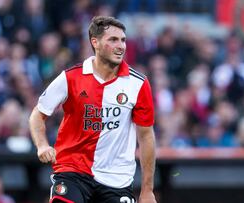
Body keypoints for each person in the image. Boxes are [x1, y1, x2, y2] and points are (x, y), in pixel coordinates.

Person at [29, 16, 157, 203]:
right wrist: (41, 144)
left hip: (117, 179)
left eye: (123, 40)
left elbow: (146, 136)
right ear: (95, 42)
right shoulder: (71, 77)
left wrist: (147, 190)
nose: (121, 46)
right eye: (113, 40)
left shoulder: (138, 83)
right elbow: (37, 115)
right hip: (73, 170)